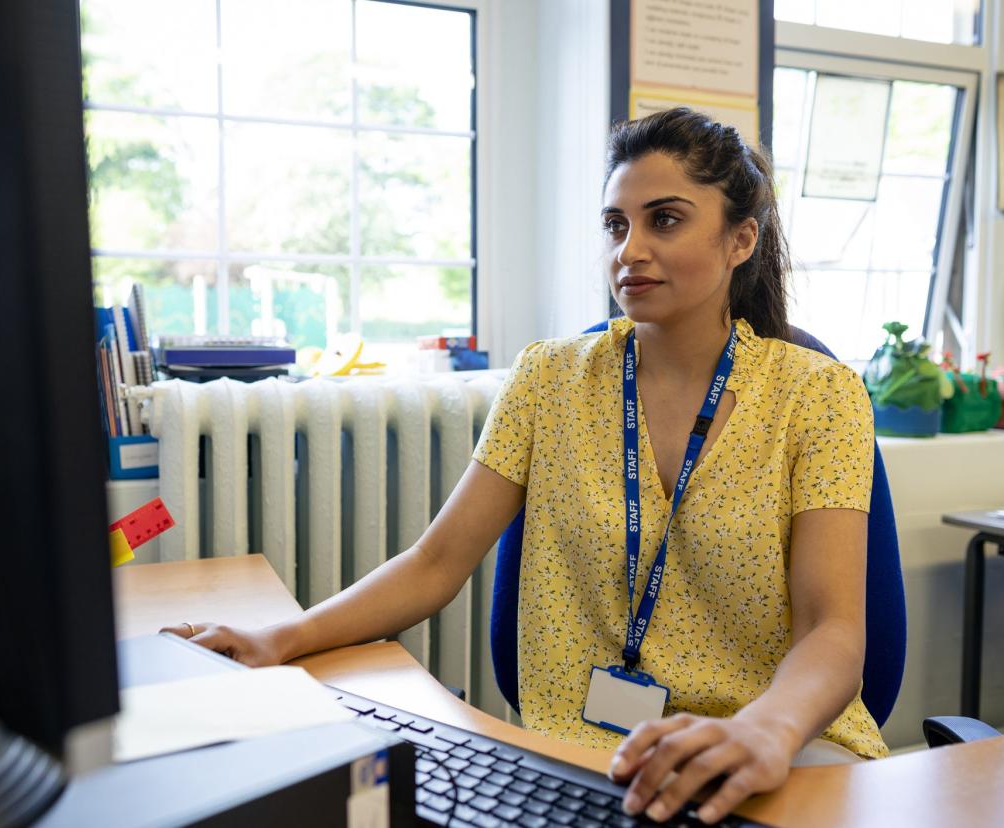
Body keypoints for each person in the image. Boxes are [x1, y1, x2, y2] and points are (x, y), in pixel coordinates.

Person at [163, 107, 887, 824]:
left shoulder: (818, 394)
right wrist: (280, 639)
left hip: (771, 749)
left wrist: (763, 730)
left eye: (664, 219)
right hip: (587, 753)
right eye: (615, 224)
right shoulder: (550, 378)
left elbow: (834, 630)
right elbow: (435, 562)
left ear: (740, 239)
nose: (629, 250)